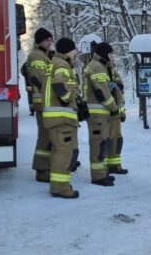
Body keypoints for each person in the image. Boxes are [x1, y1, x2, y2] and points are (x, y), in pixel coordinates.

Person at [41, 37, 81, 198]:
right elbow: (59, 84)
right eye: (74, 50)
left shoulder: (56, 63)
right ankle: (60, 188)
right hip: (61, 118)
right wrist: (68, 99)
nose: (76, 53)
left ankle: (60, 185)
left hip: (57, 118)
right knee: (63, 152)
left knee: (60, 151)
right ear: (67, 51)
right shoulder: (62, 65)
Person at [84, 42, 119, 186]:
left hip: (101, 114)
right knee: (98, 144)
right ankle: (98, 176)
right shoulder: (97, 67)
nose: (112, 57)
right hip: (97, 114)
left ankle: (102, 172)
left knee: (103, 142)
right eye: (110, 54)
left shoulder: (101, 66)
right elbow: (102, 92)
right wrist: (114, 108)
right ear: (104, 54)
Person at [23, 27, 53, 181]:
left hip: (46, 102)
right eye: (47, 40)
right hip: (43, 102)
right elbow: (41, 79)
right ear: (39, 41)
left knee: (48, 135)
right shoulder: (37, 56)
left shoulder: (43, 55)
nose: (50, 42)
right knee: (45, 136)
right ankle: (41, 170)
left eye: (50, 40)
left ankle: (46, 166)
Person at [106, 51, 129, 175]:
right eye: (110, 55)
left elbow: (119, 91)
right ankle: (108, 166)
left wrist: (122, 113)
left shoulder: (113, 71)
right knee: (109, 139)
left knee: (117, 140)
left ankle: (115, 165)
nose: (113, 57)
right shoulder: (102, 70)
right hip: (109, 113)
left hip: (117, 113)